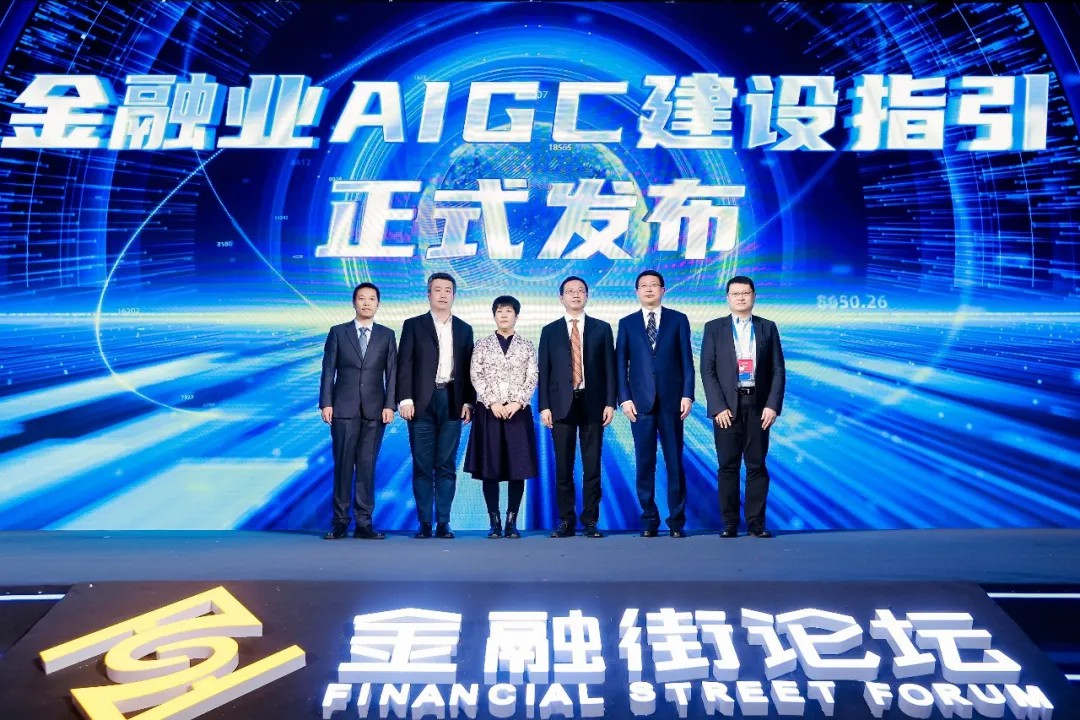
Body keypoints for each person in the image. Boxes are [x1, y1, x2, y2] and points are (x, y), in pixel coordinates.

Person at [700, 276, 786, 538]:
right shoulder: (714, 328)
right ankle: (729, 523)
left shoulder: (767, 327)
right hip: (727, 408)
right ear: (728, 298)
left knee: (756, 465)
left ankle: (756, 523)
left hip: (758, 407)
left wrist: (772, 406)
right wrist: (718, 407)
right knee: (728, 466)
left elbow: (778, 369)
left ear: (753, 296)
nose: (740, 298)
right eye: (735, 294)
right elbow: (707, 370)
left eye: (745, 293)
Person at [616, 270, 695, 539]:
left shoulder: (678, 319)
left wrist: (687, 395)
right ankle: (649, 519)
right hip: (640, 404)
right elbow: (620, 365)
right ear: (636, 291)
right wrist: (624, 399)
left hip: (672, 402)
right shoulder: (627, 323)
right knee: (644, 463)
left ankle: (676, 521)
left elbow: (687, 361)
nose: (649, 289)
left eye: (654, 285)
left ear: (663, 290)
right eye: (644, 286)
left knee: (674, 462)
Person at [397, 273, 475, 539]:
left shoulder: (464, 329)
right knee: (422, 464)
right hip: (420, 402)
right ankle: (424, 523)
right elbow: (404, 363)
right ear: (428, 294)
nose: (443, 294)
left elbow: (468, 368)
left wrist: (469, 401)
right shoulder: (413, 325)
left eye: (448, 290)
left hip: (452, 399)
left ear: (454, 295)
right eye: (437, 289)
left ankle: (443, 522)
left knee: (446, 464)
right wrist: (405, 398)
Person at [538, 276, 616, 538]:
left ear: (587, 296)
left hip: (593, 403)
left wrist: (610, 402)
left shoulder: (602, 328)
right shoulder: (549, 331)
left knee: (592, 466)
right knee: (564, 466)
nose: (575, 295)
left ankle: (591, 520)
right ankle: (566, 520)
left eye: (580, 290)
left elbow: (610, 368)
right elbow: (544, 370)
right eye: (570, 291)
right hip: (561, 405)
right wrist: (544, 406)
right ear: (561, 297)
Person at [318, 282, 397, 540]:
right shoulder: (338, 332)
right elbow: (328, 370)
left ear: (378, 304)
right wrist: (326, 403)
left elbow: (392, 373)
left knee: (366, 467)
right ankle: (340, 521)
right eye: (362, 298)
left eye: (371, 299)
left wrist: (390, 405)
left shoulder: (387, 335)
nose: (366, 303)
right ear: (354, 302)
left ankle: (364, 522)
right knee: (343, 466)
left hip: (375, 410)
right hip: (343, 408)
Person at [464, 296, 539, 539]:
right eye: (499, 311)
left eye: (508, 311)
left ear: (516, 316)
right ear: (494, 315)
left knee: (518, 468)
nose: (504, 315)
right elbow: (476, 375)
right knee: (490, 467)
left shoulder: (526, 346)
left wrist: (518, 401)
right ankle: (494, 522)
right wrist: (492, 402)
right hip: (490, 412)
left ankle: (511, 522)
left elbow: (532, 376)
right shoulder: (482, 345)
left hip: (518, 413)